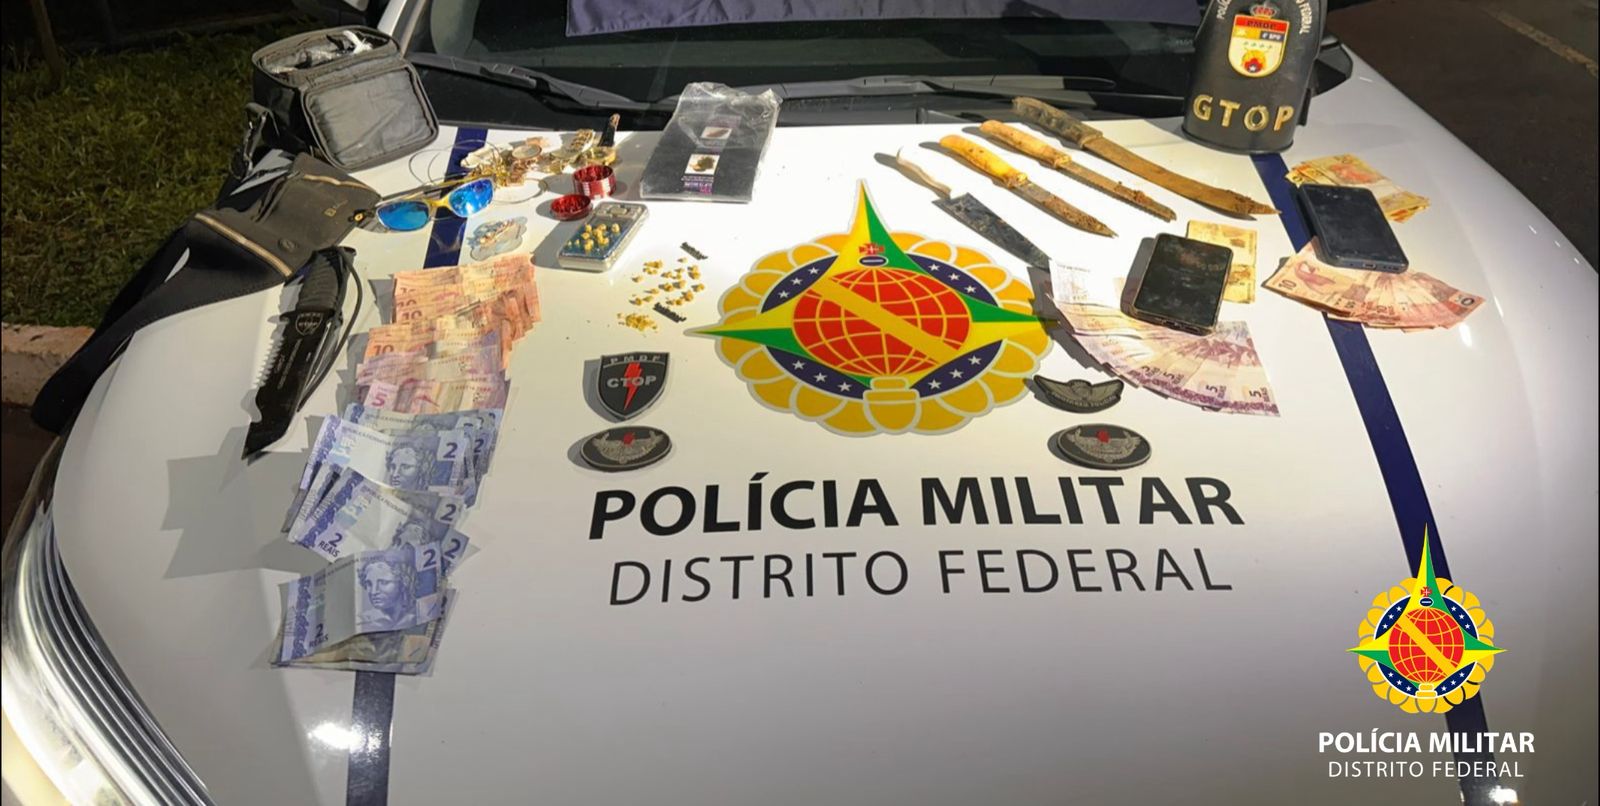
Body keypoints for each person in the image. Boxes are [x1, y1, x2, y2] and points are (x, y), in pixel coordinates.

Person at [357, 552, 417, 631]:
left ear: (403, 583)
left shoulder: (415, 617)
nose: (373, 592)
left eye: (383, 582)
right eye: (369, 584)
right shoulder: (361, 621)